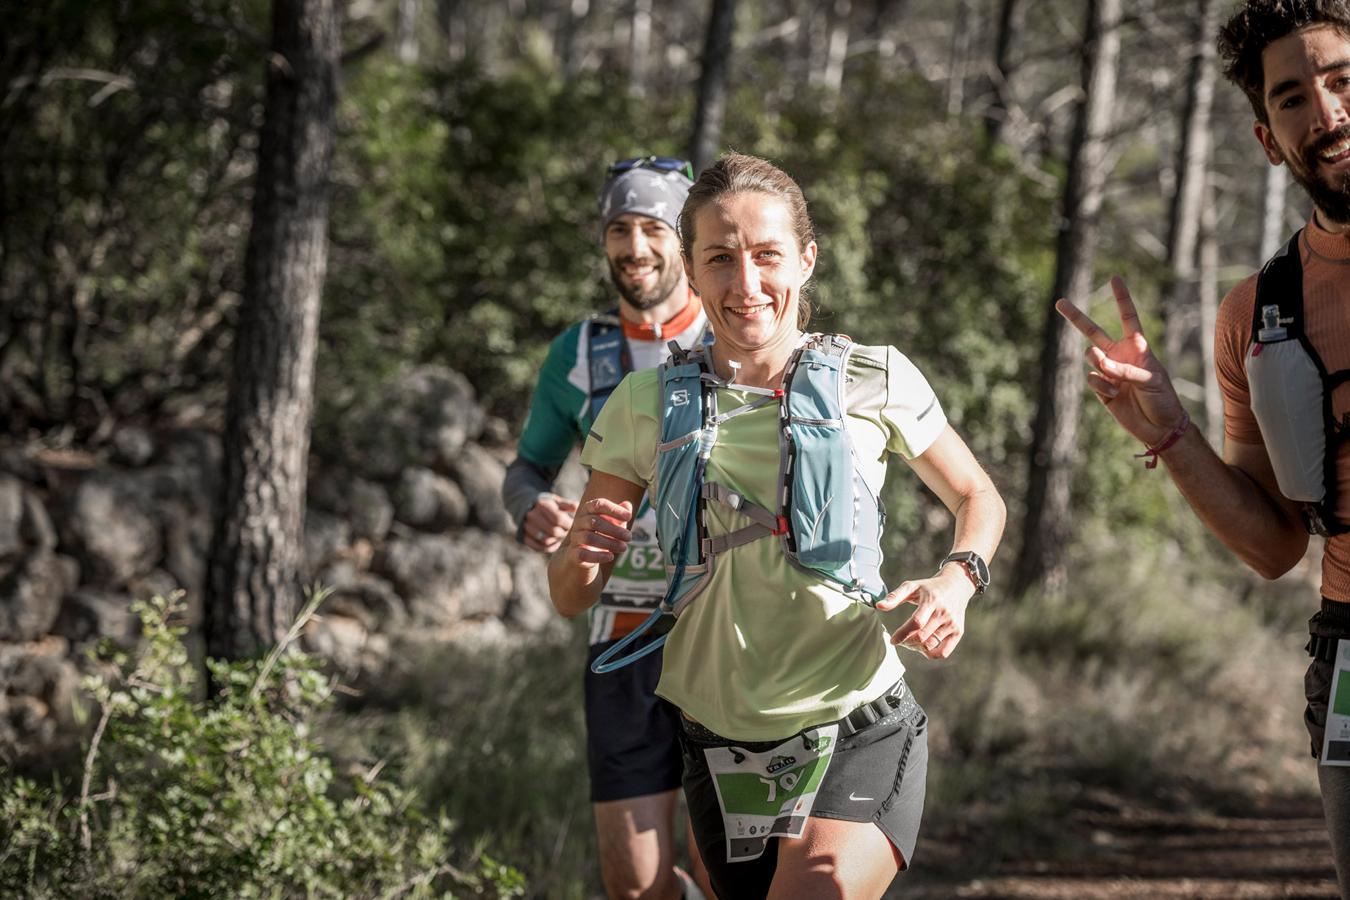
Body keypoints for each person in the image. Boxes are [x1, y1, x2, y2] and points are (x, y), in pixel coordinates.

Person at [548, 152, 1006, 898]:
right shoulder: (641, 403)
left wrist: (958, 579)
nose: (748, 283)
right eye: (721, 259)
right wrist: (581, 555)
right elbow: (571, 594)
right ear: (692, 273)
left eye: (767, 255)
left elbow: (979, 496)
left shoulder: (873, 376)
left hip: (857, 724)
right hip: (716, 745)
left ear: (808, 258)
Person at [1056, 0, 1350, 891]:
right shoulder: (1259, 314)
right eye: (1295, 98)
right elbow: (1274, 546)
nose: (1327, 114)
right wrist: (1171, 434)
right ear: (1269, 139)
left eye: (1342, 81)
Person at [501, 156, 712, 900]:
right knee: (633, 889)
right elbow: (525, 469)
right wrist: (531, 506)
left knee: (731, 878)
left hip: (723, 634)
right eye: (618, 228)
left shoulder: (735, 337)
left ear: (684, 237)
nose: (635, 247)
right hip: (620, 641)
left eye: (654, 227)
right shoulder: (579, 353)